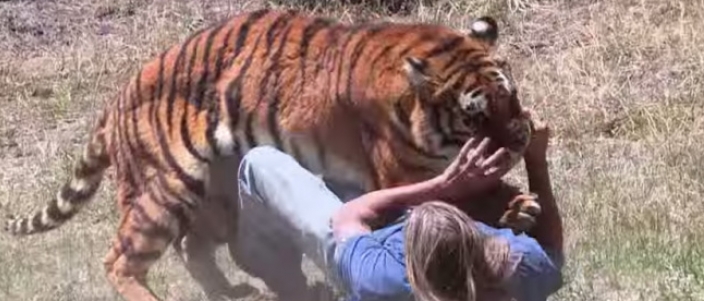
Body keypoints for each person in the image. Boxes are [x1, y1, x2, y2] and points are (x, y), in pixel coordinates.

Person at [234, 114, 563, 301]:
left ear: (414, 273)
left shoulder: (380, 278)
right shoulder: (519, 266)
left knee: (258, 163)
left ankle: (288, 286)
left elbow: (350, 217)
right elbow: (551, 247)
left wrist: (442, 188)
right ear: (477, 242)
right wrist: (536, 161)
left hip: (353, 241)